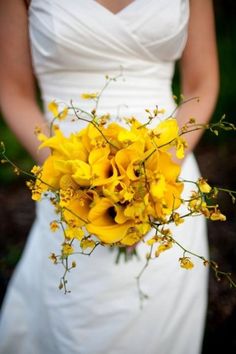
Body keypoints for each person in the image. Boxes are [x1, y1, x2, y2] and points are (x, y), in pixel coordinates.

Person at [0, 1, 219, 353]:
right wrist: (73, 179)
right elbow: (14, 92)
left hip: (167, 183)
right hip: (69, 188)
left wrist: (151, 179)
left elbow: (201, 82)